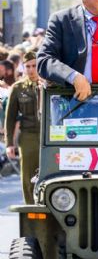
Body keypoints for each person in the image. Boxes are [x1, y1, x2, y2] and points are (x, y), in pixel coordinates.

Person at [4, 52, 42, 204]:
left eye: (34, 66)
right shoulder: (18, 88)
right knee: (28, 176)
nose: (31, 69)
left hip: (51, 136)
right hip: (29, 136)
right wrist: (9, 144)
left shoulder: (51, 85)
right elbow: (10, 118)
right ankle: (31, 208)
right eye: (28, 66)